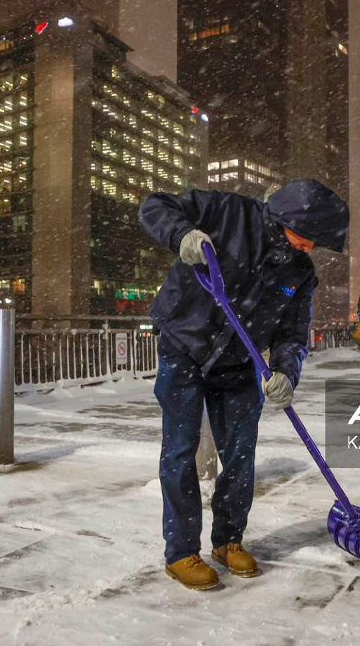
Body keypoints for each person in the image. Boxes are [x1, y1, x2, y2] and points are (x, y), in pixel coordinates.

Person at [139, 180, 348, 590]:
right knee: (180, 449)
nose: (310, 247)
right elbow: (154, 206)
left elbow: (293, 332)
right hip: (184, 343)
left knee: (240, 453)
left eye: (316, 243)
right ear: (286, 219)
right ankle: (181, 551)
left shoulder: (300, 273)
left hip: (239, 361)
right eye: (306, 237)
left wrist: (288, 370)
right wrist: (183, 234)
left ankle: (228, 541)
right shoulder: (226, 213)